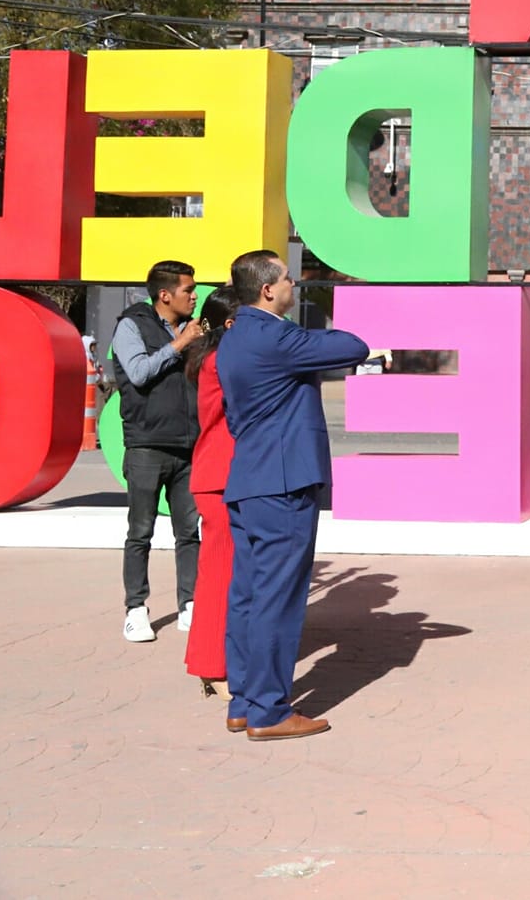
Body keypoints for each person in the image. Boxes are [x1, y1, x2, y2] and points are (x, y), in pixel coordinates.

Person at [218, 250, 372, 740]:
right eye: (287, 278)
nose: (294, 284)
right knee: (278, 599)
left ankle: (244, 700)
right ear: (267, 290)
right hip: (282, 482)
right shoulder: (274, 336)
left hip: (249, 480)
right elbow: (355, 345)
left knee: (247, 594)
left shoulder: (235, 335)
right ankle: (269, 710)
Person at [110, 259, 205, 644]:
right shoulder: (131, 326)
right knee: (141, 532)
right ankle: (135, 609)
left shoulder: (195, 328)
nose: (195, 296)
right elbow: (138, 373)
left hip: (188, 446)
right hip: (147, 446)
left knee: (189, 532)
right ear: (165, 295)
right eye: (188, 290)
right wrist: (180, 344)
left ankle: (190, 605)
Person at [182, 288, 240, 694]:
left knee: (227, 576)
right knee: (218, 576)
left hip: (225, 475)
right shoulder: (221, 362)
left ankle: (218, 664)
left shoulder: (214, 358)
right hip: (221, 478)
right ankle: (211, 668)